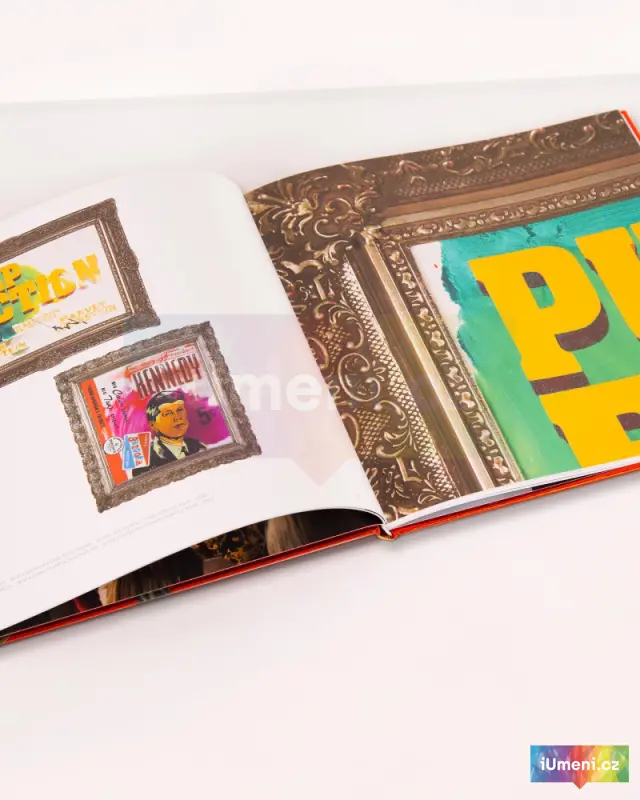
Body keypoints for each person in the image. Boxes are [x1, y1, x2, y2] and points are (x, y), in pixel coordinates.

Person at [132, 389, 206, 477]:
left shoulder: (199, 446)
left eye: (179, 410)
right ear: (153, 425)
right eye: (167, 413)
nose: (177, 417)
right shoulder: (145, 462)